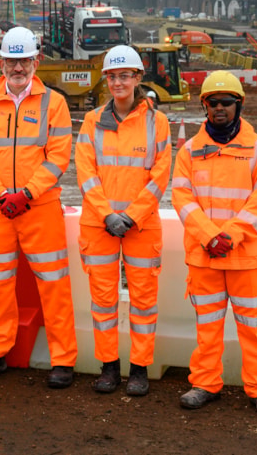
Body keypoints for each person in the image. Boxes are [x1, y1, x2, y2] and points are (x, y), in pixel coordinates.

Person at [0, 26, 77, 389]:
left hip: (40, 208)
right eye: (12, 61)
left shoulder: (54, 103)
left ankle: (63, 360)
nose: (18, 67)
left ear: (36, 62)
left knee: (54, 285)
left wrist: (26, 194)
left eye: (24, 60)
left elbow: (59, 157)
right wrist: (0, 194)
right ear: (1, 63)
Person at [172, 70, 257, 416]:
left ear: (239, 105)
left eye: (226, 103)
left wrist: (228, 237)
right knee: (207, 327)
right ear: (204, 105)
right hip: (205, 259)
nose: (219, 108)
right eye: (212, 103)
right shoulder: (189, 152)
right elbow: (182, 199)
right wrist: (209, 237)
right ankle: (205, 383)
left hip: (245, 258)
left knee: (252, 329)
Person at [75, 46, 171, 397]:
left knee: (144, 300)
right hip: (99, 225)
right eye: (113, 76)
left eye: (125, 75)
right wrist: (107, 214)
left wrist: (130, 215)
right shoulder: (92, 121)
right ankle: (109, 367)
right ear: (106, 80)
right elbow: (85, 174)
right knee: (103, 299)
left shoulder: (155, 122)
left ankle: (140, 369)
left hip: (140, 225)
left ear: (137, 79)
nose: (118, 82)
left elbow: (161, 176)